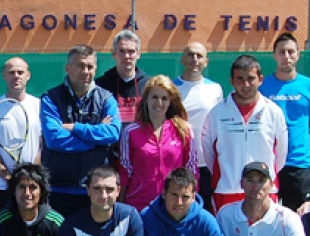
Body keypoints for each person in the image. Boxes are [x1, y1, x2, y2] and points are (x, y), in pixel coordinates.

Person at [40, 45, 120, 218]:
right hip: (58, 189)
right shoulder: (51, 98)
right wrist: (96, 140)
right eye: (80, 65)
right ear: (68, 68)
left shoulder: (106, 98)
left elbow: (113, 133)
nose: (85, 71)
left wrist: (76, 128)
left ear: (96, 69)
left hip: (96, 190)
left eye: (90, 66)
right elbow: (54, 139)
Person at [201, 55, 288, 213]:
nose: (245, 84)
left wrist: (264, 180)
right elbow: (208, 152)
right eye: (239, 79)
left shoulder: (274, 112)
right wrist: (227, 175)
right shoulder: (216, 113)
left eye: (251, 78)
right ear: (231, 81)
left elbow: (281, 154)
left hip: (264, 191)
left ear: (260, 79)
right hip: (226, 191)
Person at [259, 33, 310, 210]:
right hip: (268, 163)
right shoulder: (262, 86)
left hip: (298, 165)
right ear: (274, 55)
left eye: (291, 52)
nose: (286, 57)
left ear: (298, 55)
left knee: (298, 216)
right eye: (281, 52)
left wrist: (300, 149)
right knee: (265, 214)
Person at [118, 75, 196, 212]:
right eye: (154, 97)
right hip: (139, 205)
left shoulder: (184, 130)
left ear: (170, 101)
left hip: (173, 206)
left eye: (164, 98)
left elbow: (191, 169)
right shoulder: (131, 132)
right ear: (146, 99)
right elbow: (125, 171)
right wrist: (120, 205)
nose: (159, 102)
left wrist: (190, 203)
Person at [0, 57, 42, 210]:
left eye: (20, 72)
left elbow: (43, 144)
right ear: (4, 76)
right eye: (11, 72)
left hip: (32, 186)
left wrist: (28, 175)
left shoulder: (40, 106)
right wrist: (8, 177)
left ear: (28, 75)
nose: (16, 76)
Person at [174, 43, 224, 212]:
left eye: (199, 56)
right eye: (190, 55)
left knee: (208, 211)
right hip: (179, 163)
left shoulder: (215, 89)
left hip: (207, 164)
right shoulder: (171, 88)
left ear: (206, 62)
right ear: (182, 59)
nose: (194, 60)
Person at [96, 29, 149, 125]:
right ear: (114, 54)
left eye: (131, 51)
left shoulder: (149, 85)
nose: (126, 56)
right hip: (112, 139)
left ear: (138, 54)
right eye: (122, 51)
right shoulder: (100, 86)